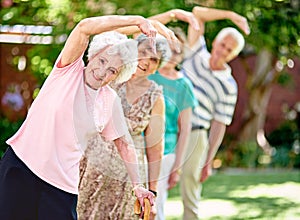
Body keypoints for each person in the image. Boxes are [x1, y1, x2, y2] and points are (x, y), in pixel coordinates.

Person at [0, 15, 171, 220]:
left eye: (112, 71)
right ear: (92, 55)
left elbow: (125, 145)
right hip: (22, 166)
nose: (101, 72)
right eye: (102, 61)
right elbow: (84, 27)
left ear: (117, 77)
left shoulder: (109, 100)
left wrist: (139, 186)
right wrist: (137, 20)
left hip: (61, 186)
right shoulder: (68, 70)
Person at [151, 6, 250, 219]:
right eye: (222, 44)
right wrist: (231, 15)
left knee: (190, 190)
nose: (223, 51)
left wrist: (209, 159)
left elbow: (219, 123)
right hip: (166, 127)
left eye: (229, 50)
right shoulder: (196, 50)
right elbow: (197, 14)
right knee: (155, 184)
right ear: (215, 42)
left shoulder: (229, 85)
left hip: (195, 133)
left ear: (234, 55)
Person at [77, 33, 171, 220]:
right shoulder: (109, 76)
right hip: (89, 168)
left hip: (127, 179)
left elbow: (155, 149)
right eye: (143, 52)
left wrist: (152, 192)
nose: (146, 61)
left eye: (153, 59)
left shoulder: (155, 98)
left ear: (157, 68)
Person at [148, 27, 199, 220]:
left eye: (177, 51)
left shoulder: (183, 85)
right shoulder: (147, 73)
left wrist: (177, 166)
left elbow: (185, 130)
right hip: (137, 149)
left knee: (155, 205)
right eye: (169, 49)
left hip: (166, 152)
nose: (173, 55)